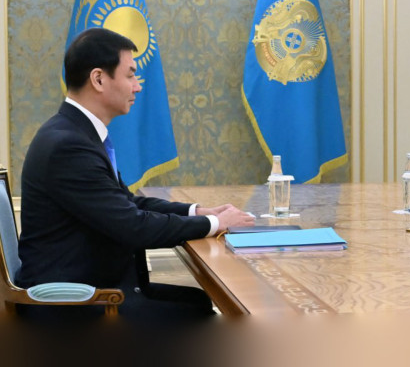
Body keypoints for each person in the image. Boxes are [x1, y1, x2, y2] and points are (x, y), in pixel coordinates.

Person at [15, 27, 255, 321]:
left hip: (98, 289)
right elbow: (133, 226)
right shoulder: (68, 145)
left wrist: (197, 212)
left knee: (200, 303)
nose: (137, 87)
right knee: (207, 316)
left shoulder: (74, 133)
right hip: (72, 307)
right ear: (99, 79)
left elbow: (127, 203)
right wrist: (216, 224)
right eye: (130, 76)